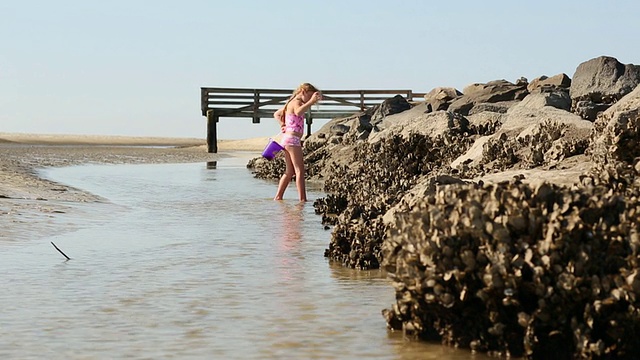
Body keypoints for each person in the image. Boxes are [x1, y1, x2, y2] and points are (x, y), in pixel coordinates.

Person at [272, 83, 322, 201]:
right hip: (293, 140)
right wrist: (311, 102)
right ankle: (302, 199)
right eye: (309, 97)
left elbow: (277, 114)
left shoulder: (290, 103)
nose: (309, 100)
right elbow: (299, 112)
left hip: (286, 139)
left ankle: (278, 197)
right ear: (303, 92)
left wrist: (282, 124)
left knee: (289, 172)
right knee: (300, 170)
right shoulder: (297, 103)